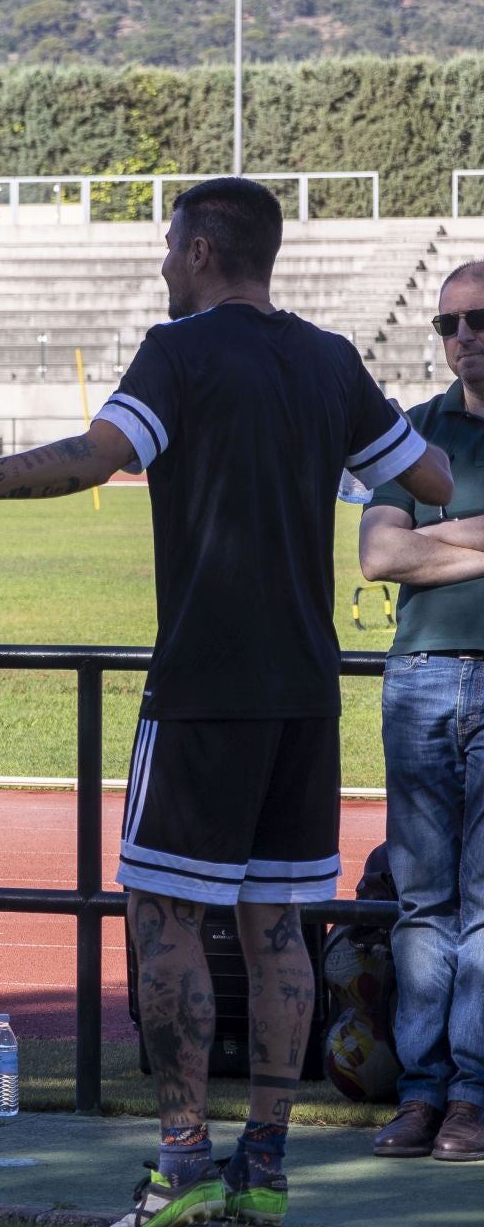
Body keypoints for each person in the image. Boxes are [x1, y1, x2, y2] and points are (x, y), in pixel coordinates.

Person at [0, 177, 453, 1226]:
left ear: (194, 250)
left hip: (202, 685)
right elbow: (437, 476)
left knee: (163, 915)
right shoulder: (329, 358)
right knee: (280, 927)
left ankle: (181, 1162)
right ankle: (264, 1171)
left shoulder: (177, 351)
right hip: (305, 694)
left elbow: (99, 456)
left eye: (167, 247)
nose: (161, 266)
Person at [356, 260, 484, 1163]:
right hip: (422, 677)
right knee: (421, 902)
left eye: (477, 319)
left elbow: (409, 545)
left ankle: (472, 1094)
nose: (462, 336)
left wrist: (429, 536)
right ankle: (421, 1092)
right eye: (447, 324)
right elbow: (377, 559)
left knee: (483, 905)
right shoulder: (414, 432)